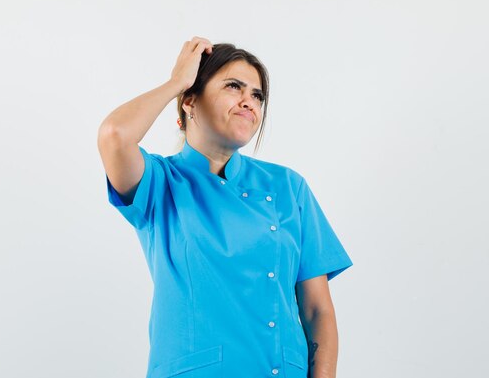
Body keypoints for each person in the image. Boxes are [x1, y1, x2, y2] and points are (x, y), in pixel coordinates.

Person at [97, 36, 353, 378]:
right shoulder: (160, 183)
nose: (249, 101)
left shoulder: (287, 187)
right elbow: (114, 134)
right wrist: (177, 81)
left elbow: (317, 310)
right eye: (234, 87)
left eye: (257, 95)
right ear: (190, 101)